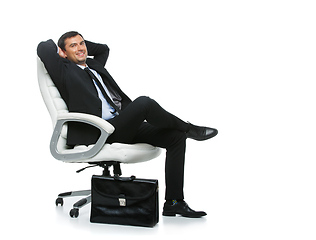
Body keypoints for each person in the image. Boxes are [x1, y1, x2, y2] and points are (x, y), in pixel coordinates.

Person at [37, 31, 218, 218]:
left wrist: (81, 47)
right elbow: (43, 47)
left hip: (121, 124)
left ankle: (174, 202)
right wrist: (60, 50)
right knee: (144, 103)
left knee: (175, 138)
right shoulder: (63, 70)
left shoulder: (94, 64)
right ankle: (189, 128)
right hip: (100, 131)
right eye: (73, 46)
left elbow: (103, 49)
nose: (80, 48)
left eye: (82, 44)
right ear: (63, 52)